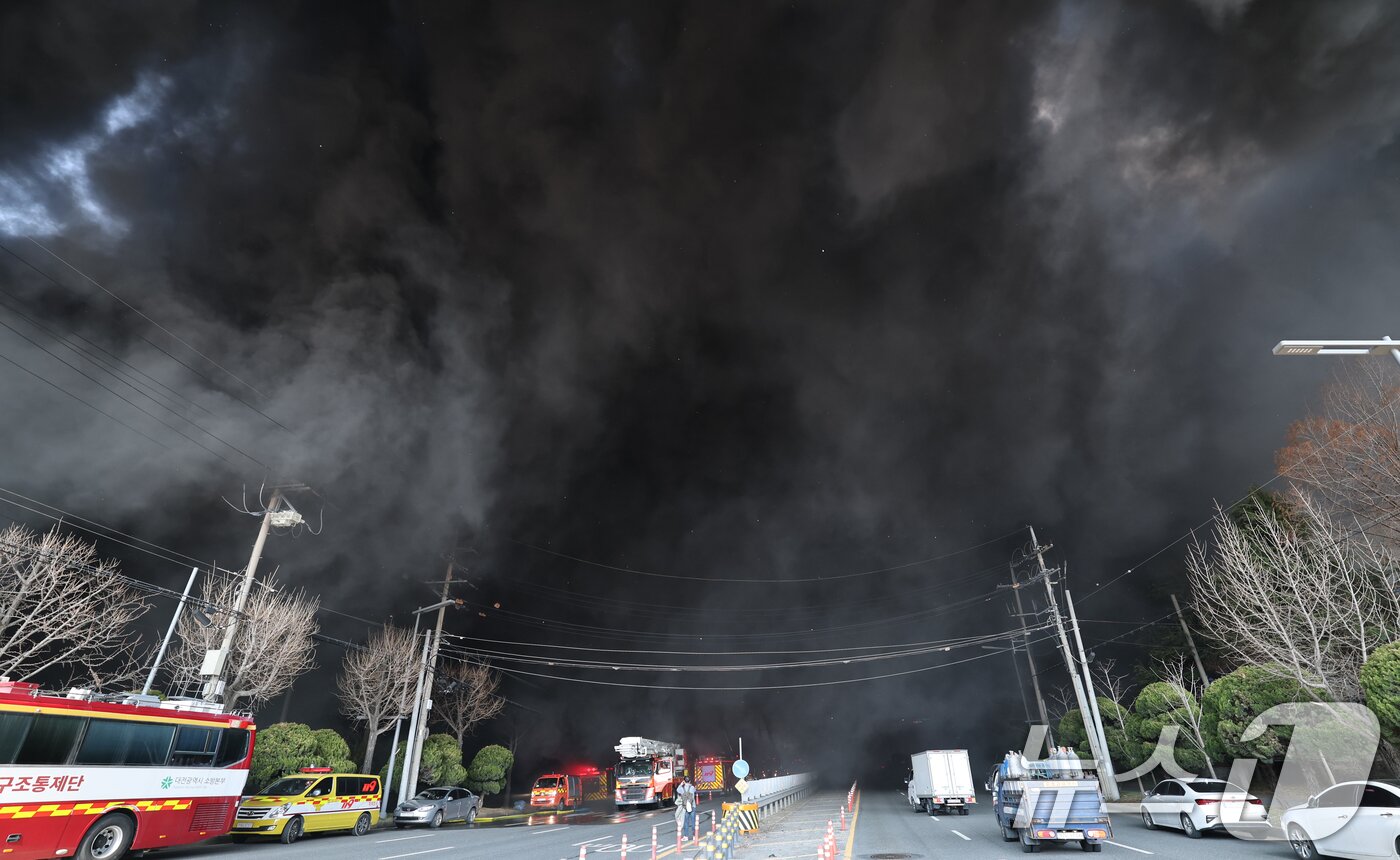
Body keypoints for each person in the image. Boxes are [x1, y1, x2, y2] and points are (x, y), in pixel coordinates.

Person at [674, 775, 698, 841]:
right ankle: (694, 836)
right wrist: (690, 785)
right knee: (693, 821)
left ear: (684, 781)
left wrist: (681, 784)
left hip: (685, 807)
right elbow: (694, 791)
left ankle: (686, 836)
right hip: (692, 806)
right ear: (690, 781)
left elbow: (677, 790)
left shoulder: (682, 788)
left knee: (686, 822)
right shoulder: (692, 787)